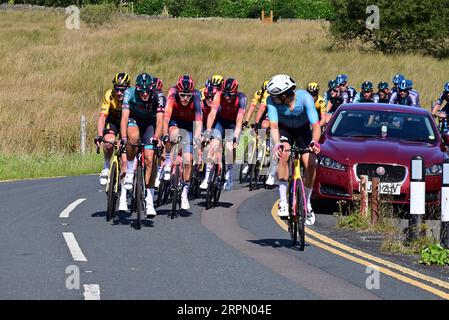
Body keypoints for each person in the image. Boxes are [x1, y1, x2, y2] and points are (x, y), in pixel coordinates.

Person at [266, 74, 320, 226]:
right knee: (283, 154)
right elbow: (274, 126)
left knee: (310, 162)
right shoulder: (271, 101)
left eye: (274, 95)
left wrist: (314, 143)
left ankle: (307, 203)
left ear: (283, 95)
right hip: (284, 131)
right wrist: (277, 144)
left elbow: (315, 125)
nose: (271, 97)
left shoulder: (305, 98)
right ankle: (283, 202)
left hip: (303, 131)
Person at [120, 73, 166, 217]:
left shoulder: (158, 97)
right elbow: (124, 117)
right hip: (134, 120)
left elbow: (160, 121)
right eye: (142, 92)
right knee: (132, 138)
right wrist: (123, 137)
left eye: (148, 92)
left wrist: (157, 138)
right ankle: (129, 171)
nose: (145, 94)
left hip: (150, 123)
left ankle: (150, 200)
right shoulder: (129, 93)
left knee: (150, 158)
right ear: (137, 90)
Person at [162, 75, 203, 210]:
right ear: (178, 93)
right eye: (183, 95)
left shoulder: (196, 97)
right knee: (171, 134)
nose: (185, 98)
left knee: (188, 159)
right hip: (176, 121)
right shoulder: (172, 94)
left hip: (190, 125)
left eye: (188, 96)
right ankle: (168, 162)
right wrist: (164, 135)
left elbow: (198, 122)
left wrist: (196, 141)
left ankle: (185, 191)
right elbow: (166, 117)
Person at [200, 78, 247, 191]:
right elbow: (212, 114)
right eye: (225, 94)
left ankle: (229, 175)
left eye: (230, 95)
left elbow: (240, 119)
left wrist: (235, 137)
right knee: (213, 145)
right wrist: (208, 131)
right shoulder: (218, 95)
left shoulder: (242, 98)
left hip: (233, 124)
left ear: (235, 93)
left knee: (230, 147)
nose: (227, 97)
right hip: (220, 122)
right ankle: (206, 178)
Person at [96, 73, 130, 189]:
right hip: (113, 122)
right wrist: (100, 135)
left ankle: (124, 191)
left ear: (128, 88)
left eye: (122, 89)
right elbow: (102, 117)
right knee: (108, 142)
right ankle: (106, 167)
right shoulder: (109, 95)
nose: (119, 93)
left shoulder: (131, 96)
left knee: (125, 160)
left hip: (127, 123)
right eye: (117, 89)